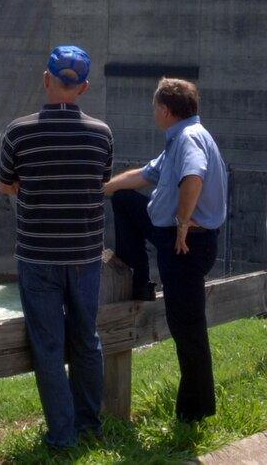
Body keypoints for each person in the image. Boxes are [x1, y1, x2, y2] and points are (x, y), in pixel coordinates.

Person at [0, 45, 114, 450]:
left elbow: (6, 184)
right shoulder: (102, 135)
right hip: (85, 255)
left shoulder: (19, 131)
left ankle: (62, 438)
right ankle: (90, 427)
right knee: (87, 340)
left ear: (46, 79)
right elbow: (101, 181)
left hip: (38, 257)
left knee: (47, 346)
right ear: (82, 88)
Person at [105, 77, 227, 423]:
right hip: (172, 236)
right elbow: (143, 176)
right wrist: (105, 187)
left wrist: (184, 221)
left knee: (187, 327)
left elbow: (193, 177)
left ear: (165, 110)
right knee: (126, 200)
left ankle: (195, 412)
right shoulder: (182, 138)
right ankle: (139, 278)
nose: (153, 113)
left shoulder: (187, 139)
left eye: (155, 107)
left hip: (185, 244)